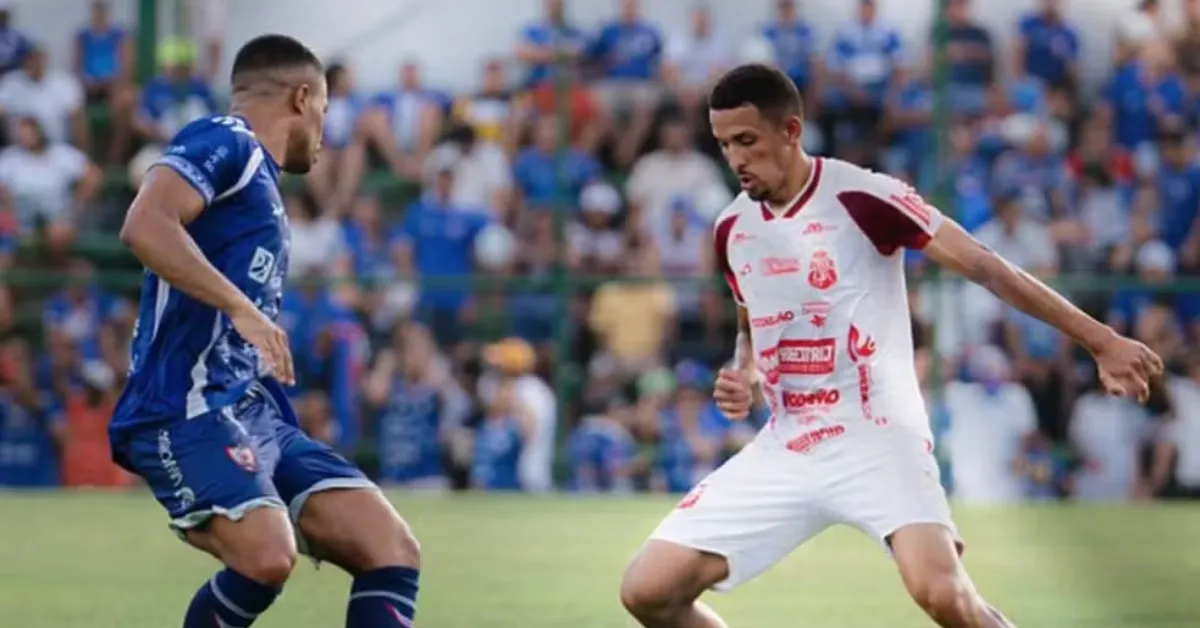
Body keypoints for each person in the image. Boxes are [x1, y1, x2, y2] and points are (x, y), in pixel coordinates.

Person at [619, 63, 1163, 628]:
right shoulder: (732, 228)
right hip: (788, 443)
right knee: (647, 590)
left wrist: (1101, 340)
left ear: (791, 131)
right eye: (724, 144)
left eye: (747, 141)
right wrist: (744, 370)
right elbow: (750, 318)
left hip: (878, 434)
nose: (734, 159)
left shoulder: (864, 195)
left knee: (944, 598)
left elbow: (986, 266)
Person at [107, 35, 421, 628]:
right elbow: (144, 224)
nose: (324, 133)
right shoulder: (227, 139)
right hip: (184, 405)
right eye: (325, 113)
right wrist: (243, 310)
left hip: (247, 406)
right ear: (303, 98)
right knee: (266, 555)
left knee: (390, 548)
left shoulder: (262, 183)